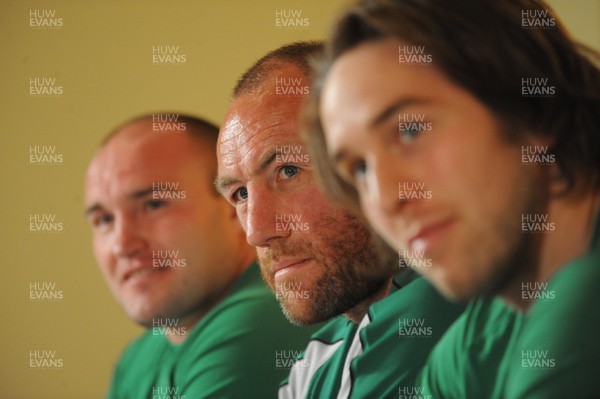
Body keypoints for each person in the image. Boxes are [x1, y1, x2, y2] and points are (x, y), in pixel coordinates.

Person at [303, 0, 600, 397]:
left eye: (409, 132)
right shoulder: (484, 333)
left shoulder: (584, 296)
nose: (386, 198)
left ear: (533, 111)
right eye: (360, 169)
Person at [215, 41, 464, 398]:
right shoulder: (316, 365)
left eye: (288, 170)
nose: (257, 231)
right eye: (240, 194)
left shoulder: (475, 316)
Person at [84, 114, 317, 398]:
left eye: (153, 204)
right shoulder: (138, 357)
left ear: (232, 206)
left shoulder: (256, 324)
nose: (122, 244)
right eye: (104, 220)